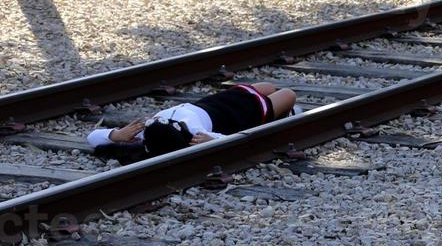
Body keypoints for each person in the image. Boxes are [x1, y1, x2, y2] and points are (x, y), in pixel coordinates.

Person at [87, 82, 298, 157]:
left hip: (212, 102)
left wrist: (116, 135)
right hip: (236, 113)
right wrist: (211, 140)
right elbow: (233, 140)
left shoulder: (144, 133)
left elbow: (93, 137)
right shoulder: (194, 132)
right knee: (288, 94)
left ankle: (278, 110)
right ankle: (281, 113)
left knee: (268, 87)